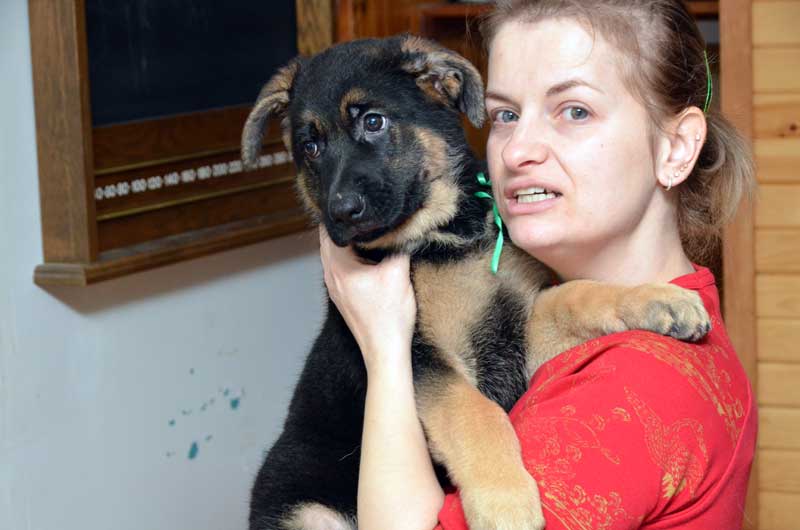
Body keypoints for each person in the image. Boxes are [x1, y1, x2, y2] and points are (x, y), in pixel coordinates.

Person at [319, 0, 758, 528]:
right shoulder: (676, 307)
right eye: (506, 114)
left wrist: (385, 345)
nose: (516, 149)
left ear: (676, 148)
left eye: (575, 111)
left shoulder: (627, 398)